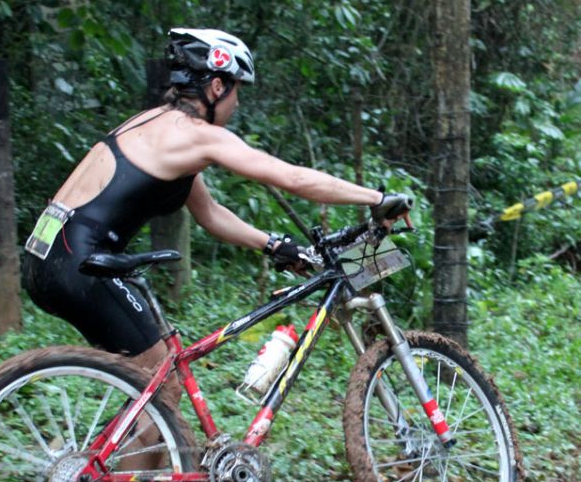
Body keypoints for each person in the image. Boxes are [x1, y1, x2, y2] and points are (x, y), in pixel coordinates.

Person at [24, 26, 412, 387]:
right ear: (215, 87)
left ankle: (145, 455)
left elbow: (209, 213)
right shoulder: (197, 137)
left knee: (148, 389)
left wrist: (273, 245)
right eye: (236, 91)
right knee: (163, 387)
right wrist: (377, 199)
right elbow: (293, 179)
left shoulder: (156, 126)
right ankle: (118, 460)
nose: (237, 103)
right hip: (80, 264)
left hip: (49, 256)